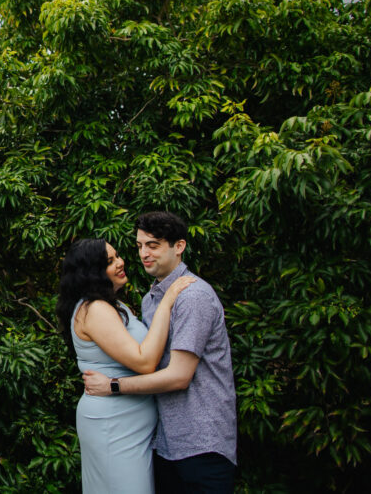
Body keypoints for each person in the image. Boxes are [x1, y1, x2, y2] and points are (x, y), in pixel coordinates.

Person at [83, 211, 237, 493]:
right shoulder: (151, 299)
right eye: (140, 246)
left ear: (178, 247)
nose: (144, 254)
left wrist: (112, 386)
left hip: (201, 444)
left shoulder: (193, 296)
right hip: (166, 444)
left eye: (153, 245)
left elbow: (179, 376)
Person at [57, 238, 195, 494]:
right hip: (113, 425)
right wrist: (167, 302)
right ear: (92, 272)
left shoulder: (112, 305)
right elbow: (144, 362)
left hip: (129, 425)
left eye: (117, 256)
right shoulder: (95, 309)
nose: (121, 263)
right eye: (109, 261)